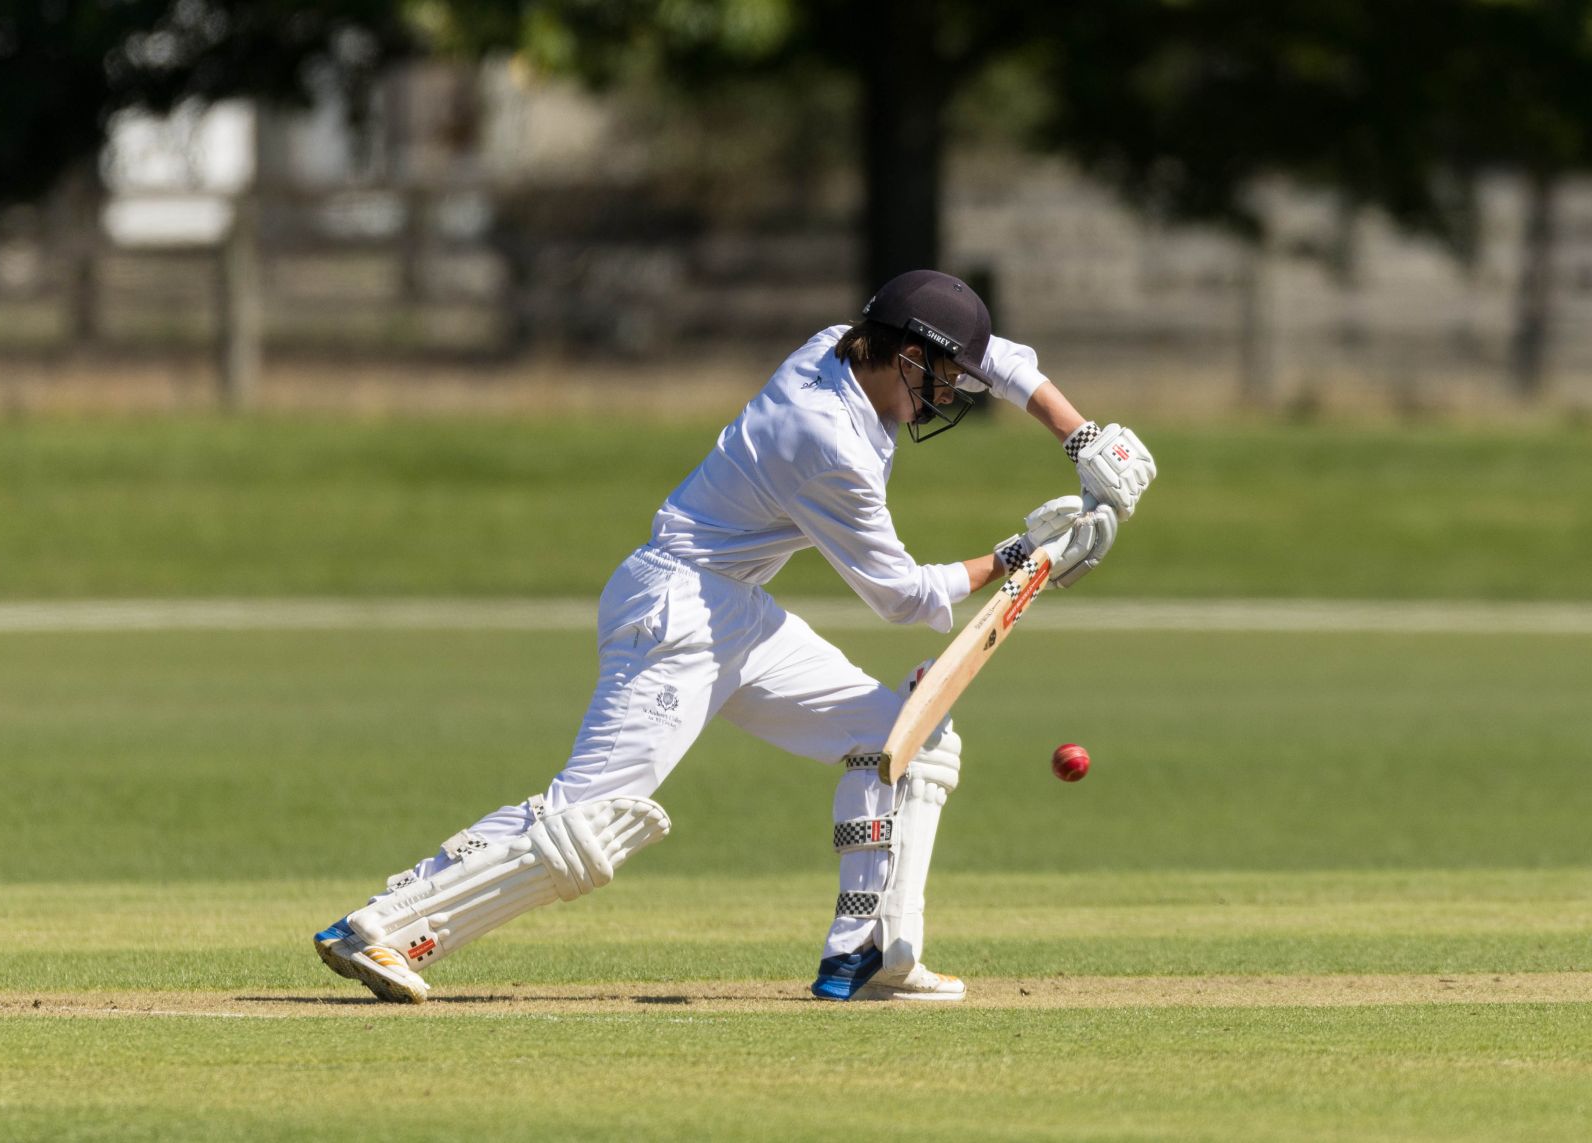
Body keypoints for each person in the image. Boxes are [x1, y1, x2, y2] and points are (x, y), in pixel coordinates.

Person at [313, 269, 1156, 1004]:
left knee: (912, 738)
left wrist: (1081, 437)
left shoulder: (846, 342)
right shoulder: (822, 439)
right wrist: (1023, 554)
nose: (949, 393)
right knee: (591, 826)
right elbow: (902, 597)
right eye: (940, 376)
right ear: (905, 354)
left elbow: (1000, 359)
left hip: (732, 611)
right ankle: (378, 925)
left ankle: (866, 953)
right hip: (677, 615)